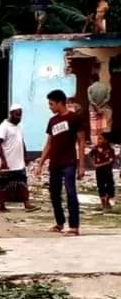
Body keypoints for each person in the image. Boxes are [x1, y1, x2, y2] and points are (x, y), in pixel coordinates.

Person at [35, 90, 87, 236]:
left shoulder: (74, 119)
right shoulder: (52, 121)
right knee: (54, 193)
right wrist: (41, 163)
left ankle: (74, 226)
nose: (50, 107)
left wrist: (81, 165)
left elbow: (81, 141)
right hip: (55, 163)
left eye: (51, 104)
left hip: (69, 161)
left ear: (60, 103)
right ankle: (59, 223)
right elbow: (49, 143)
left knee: (70, 192)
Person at [0, 104, 39, 212]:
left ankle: (27, 204)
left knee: (23, 182)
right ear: (11, 114)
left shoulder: (20, 126)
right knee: (2, 184)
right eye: (17, 115)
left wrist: (25, 155)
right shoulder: (3, 127)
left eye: (20, 115)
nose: (19, 117)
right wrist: (3, 160)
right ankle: (1, 205)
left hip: (18, 161)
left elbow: (21, 141)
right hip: (7, 161)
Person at [90, 132, 116, 211]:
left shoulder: (110, 149)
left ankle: (107, 200)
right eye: (98, 139)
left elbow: (110, 161)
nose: (99, 141)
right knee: (100, 186)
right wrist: (93, 163)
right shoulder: (95, 148)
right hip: (99, 171)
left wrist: (100, 165)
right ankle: (103, 203)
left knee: (110, 186)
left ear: (106, 140)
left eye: (101, 139)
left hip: (107, 170)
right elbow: (89, 155)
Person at [88, 72, 112, 145]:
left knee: (94, 129)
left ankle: (95, 144)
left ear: (91, 80)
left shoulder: (90, 88)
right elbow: (107, 99)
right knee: (101, 128)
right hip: (102, 110)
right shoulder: (105, 87)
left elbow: (90, 100)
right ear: (99, 78)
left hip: (93, 111)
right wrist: (101, 106)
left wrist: (96, 107)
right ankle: (101, 143)